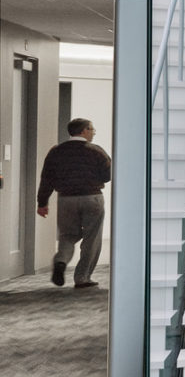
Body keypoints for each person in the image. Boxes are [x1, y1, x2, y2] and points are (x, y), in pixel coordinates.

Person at [36, 118, 111, 288]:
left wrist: (42, 203)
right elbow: (108, 175)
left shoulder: (56, 152)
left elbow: (46, 178)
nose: (94, 132)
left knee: (67, 236)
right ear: (84, 130)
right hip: (92, 198)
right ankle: (82, 278)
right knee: (92, 238)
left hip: (66, 199)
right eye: (92, 129)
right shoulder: (96, 151)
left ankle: (61, 261)